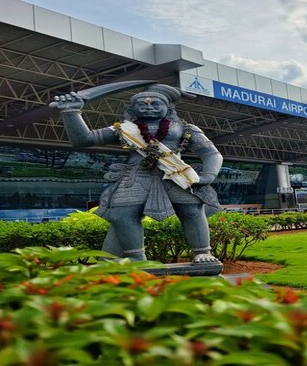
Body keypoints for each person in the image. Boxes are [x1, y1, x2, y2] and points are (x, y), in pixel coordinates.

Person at [50, 84, 222, 264]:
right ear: (132, 109)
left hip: (175, 174)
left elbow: (210, 153)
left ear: (168, 108)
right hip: (136, 176)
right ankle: (134, 255)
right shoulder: (123, 129)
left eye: (155, 104)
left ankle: (202, 252)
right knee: (120, 214)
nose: (149, 107)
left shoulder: (185, 128)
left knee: (192, 211)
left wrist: (209, 175)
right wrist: (71, 112)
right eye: (143, 105)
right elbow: (84, 139)